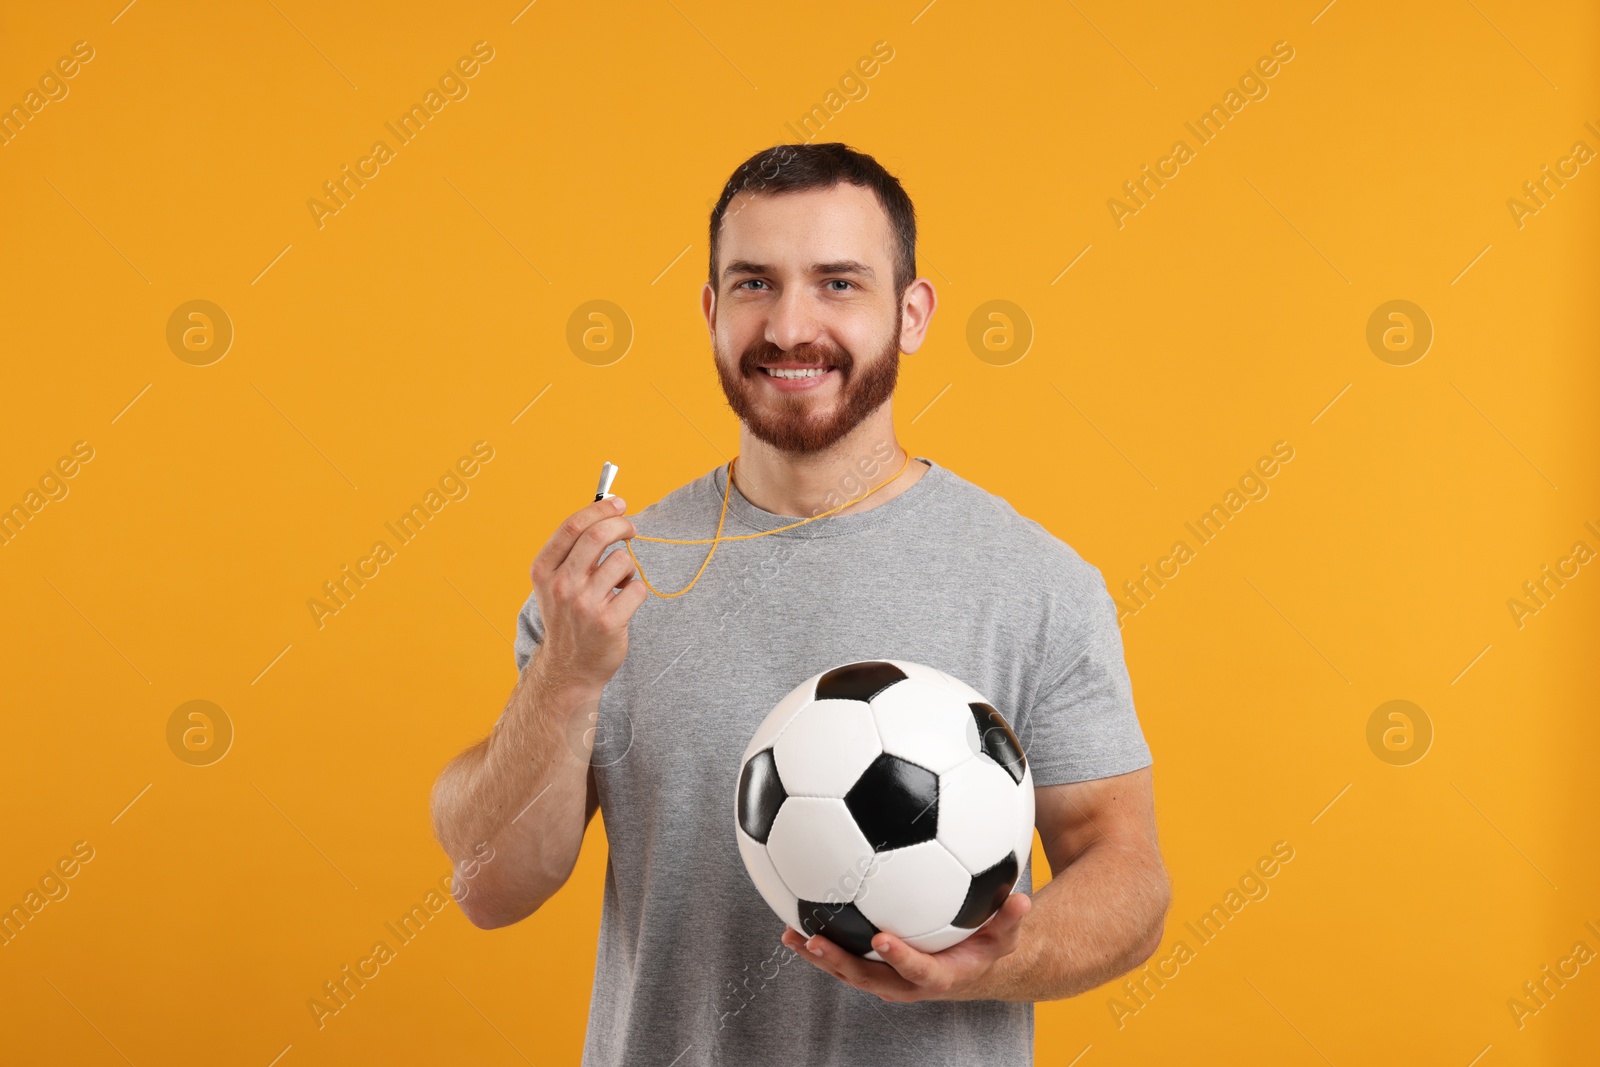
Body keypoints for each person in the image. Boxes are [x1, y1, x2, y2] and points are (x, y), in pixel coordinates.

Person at [430, 142, 1170, 1066]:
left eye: (837, 284)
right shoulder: (611, 583)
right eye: (752, 284)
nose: (788, 326)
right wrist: (567, 677)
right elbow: (489, 885)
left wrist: (993, 962)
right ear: (709, 312)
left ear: (911, 313)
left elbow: (1127, 875)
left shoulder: (1035, 582)